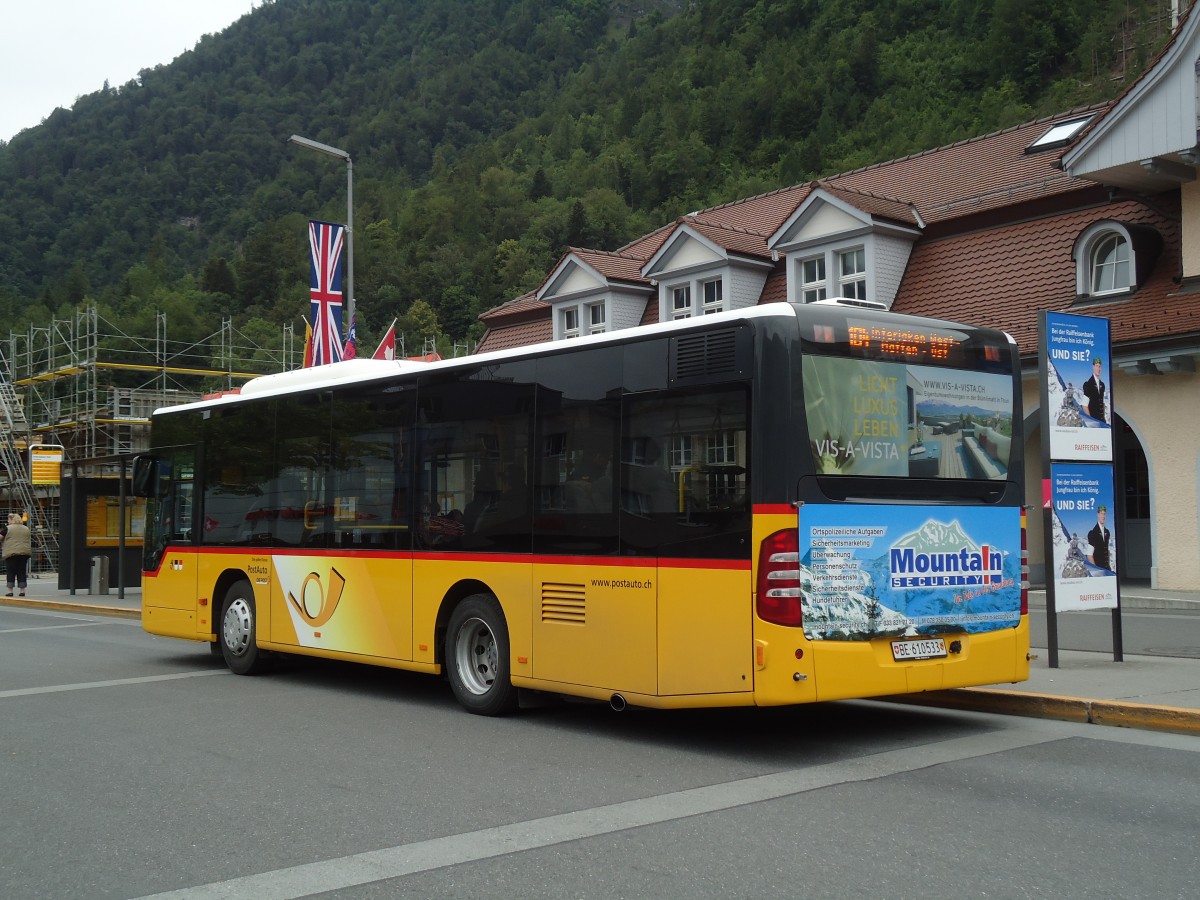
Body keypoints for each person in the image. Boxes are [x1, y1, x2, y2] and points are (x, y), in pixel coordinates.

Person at [3, 512, 32, 597]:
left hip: (11, 553)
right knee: (22, 571)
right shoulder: (26, 528)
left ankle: (10, 591)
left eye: (8, 519)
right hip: (24, 552)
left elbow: (0, 537)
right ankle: (22, 591)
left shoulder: (7, 528)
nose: (8, 521)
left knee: (11, 571)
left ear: (12, 519)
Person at [1087, 504, 1112, 572]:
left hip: (1107, 570)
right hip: (1099, 571)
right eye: (1101, 513)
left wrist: (1108, 567)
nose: (1103, 516)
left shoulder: (1107, 532)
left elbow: (1107, 550)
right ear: (1098, 514)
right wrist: (1097, 571)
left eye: (1104, 514)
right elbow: (1089, 555)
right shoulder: (1092, 533)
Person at [1082, 357, 1107, 422]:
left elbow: (1103, 402)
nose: (1098, 369)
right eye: (1096, 366)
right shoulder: (1088, 384)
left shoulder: (1102, 385)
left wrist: (1103, 417)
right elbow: (1084, 405)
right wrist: (1091, 421)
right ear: (1093, 367)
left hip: (1102, 421)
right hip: (1093, 422)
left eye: (1099, 366)